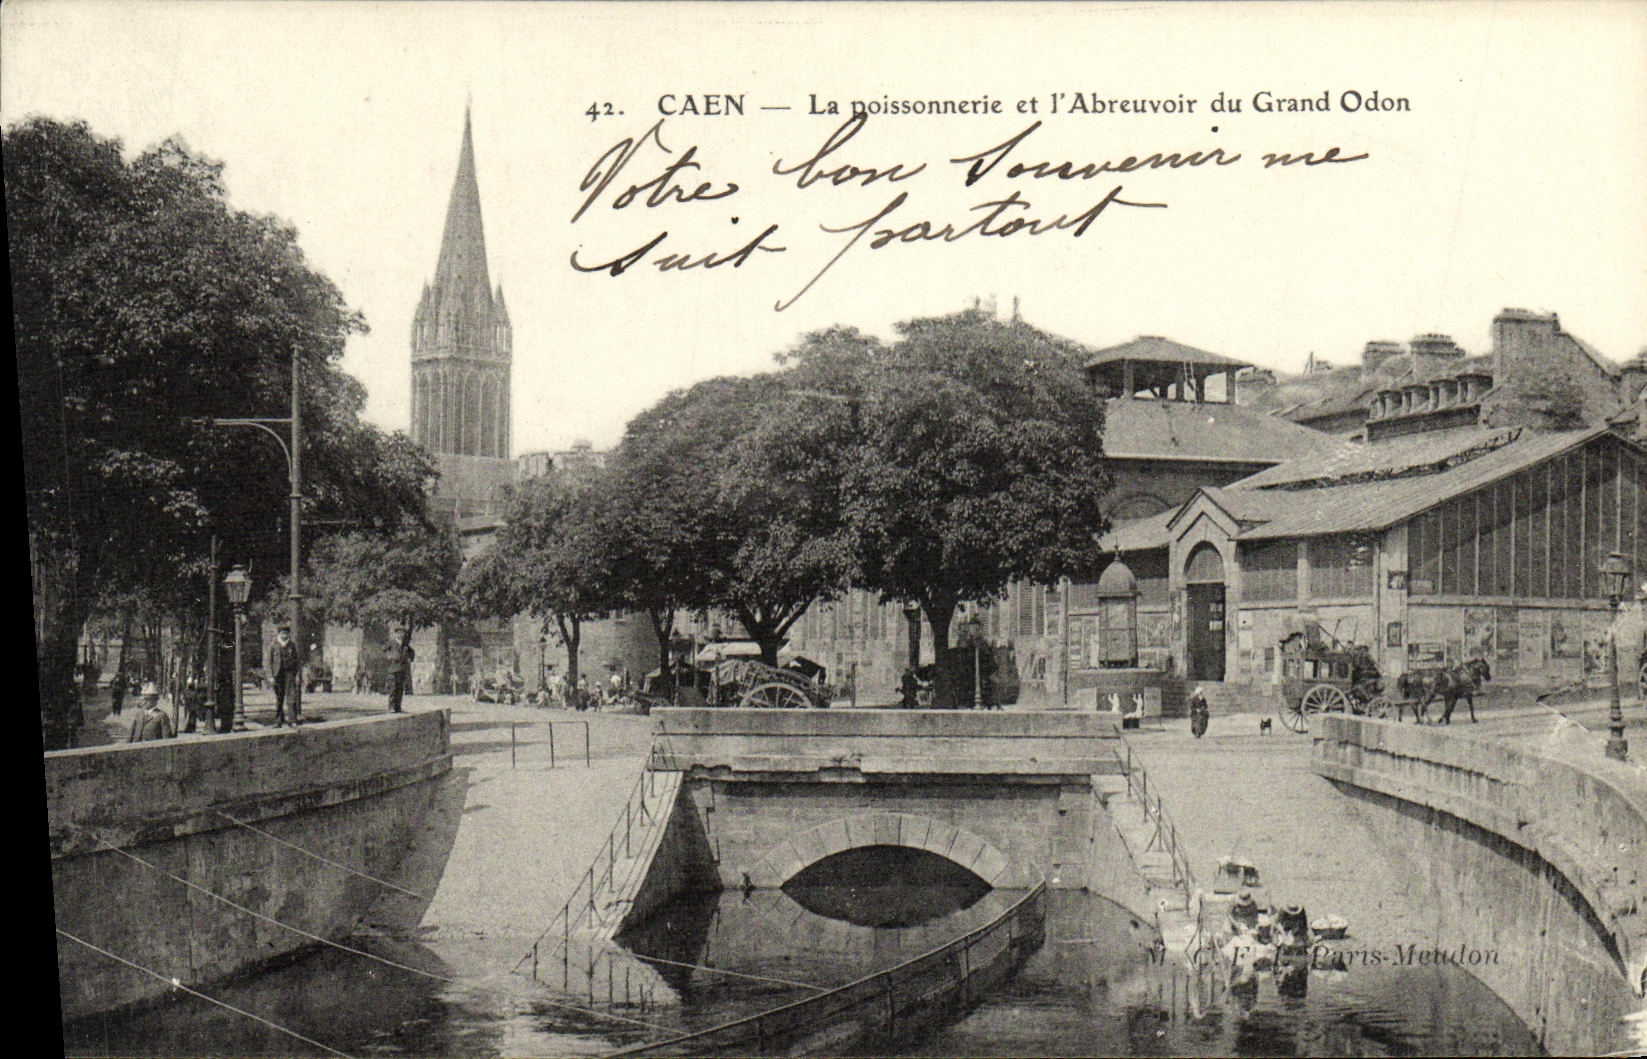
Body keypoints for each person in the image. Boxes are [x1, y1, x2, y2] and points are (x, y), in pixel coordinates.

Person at [269, 626, 300, 726]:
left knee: (291, 697)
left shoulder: (292, 645)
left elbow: (297, 662)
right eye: (282, 633)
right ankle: (279, 720)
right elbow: (269, 661)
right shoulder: (274, 645)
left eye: (286, 633)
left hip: (289, 674)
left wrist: (297, 675)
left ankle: (292, 720)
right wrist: (270, 676)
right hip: (277, 674)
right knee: (279, 697)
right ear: (279, 634)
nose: (284, 635)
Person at [387, 641, 414, 713]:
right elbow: (384, 650)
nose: (400, 635)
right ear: (396, 634)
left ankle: (398, 707)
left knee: (400, 689)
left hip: (402, 669)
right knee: (393, 689)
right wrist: (389, 656)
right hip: (393, 669)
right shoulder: (392, 643)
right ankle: (391, 707)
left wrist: (410, 658)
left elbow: (412, 652)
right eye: (399, 633)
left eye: (402, 633)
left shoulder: (405, 644)